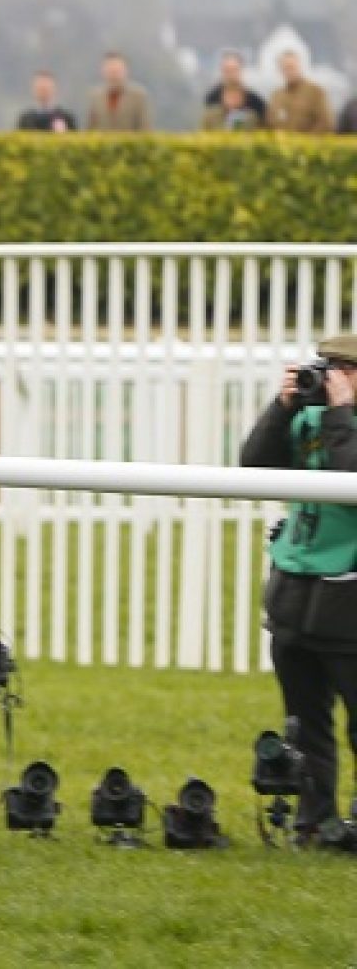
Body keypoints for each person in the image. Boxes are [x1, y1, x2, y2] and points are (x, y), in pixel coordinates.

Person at [241, 336, 357, 846]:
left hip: (348, 606)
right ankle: (315, 823)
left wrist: (342, 416)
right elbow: (254, 468)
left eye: (343, 369)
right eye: (326, 367)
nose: (330, 378)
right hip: (294, 600)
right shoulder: (310, 419)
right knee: (305, 725)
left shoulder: (336, 423)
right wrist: (282, 407)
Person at [266, 50, 332, 134]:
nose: (289, 72)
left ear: (299, 66)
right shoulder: (276, 97)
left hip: (309, 145)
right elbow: (269, 124)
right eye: (285, 68)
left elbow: (326, 123)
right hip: (280, 145)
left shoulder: (315, 93)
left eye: (291, 67)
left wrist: (305, 142)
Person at [84, 51, 151, 132]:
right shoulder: (95, 97)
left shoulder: (138, 96)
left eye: (117, 70)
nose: (113, 74)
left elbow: (144, 128)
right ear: (103, 71)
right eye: (110, 70)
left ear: (125, 71)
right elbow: (90, 129)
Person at [203, 51, 267, 124]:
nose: (230, 74)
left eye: (234, 70)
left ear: (241, 70)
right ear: (221, 71)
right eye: (227, 70)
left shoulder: (256, 101)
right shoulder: (212, 98)